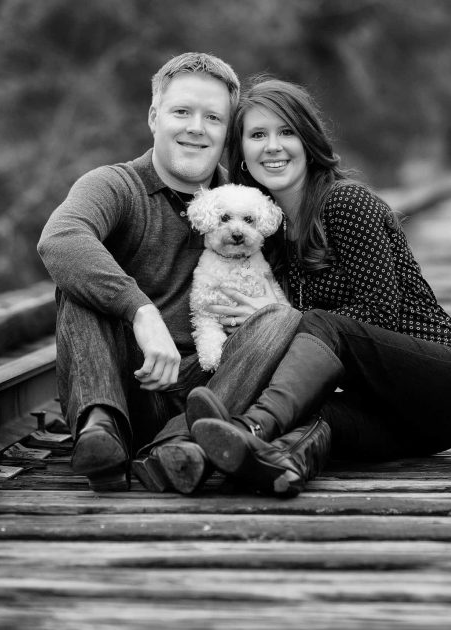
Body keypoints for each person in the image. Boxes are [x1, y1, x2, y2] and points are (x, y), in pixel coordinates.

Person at [186, 77, 451, 497]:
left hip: (442, 388)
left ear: (308, 140)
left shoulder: (345, 204)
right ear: (242, 154)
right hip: (390, 418)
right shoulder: (264, 238)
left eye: (286, 131)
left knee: (319, 325)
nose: (273, 146)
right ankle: (270, 463)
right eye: (257, 135)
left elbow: (381, 314)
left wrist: (284, 320)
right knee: (306, 416)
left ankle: (249, 426)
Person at [37, 53, 300, 494]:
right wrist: (140, 310)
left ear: (226, 132)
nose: (196, 127)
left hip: (211, 390)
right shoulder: (115, 185)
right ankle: (101, 433)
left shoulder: (246, 203)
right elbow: (59, 238)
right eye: (182, 111)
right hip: (130, 386)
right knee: (79, 283)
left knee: (284, 318)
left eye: (213, 117)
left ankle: (179, 442)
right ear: (154, 117)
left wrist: (263, 312)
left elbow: (295, 282)